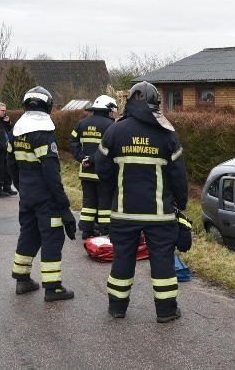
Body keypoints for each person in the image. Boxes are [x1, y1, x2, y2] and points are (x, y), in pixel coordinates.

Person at [95, 81, 188, 323]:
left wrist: (115, 189)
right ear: (155, 103)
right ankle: (166, 311)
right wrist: (182, 203)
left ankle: (117, 308)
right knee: (163, 261)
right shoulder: (167, 134)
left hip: (124, 213)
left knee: (123, 258)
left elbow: (102, 168)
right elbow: (179, 175)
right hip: (160, 215)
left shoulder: (115, 131)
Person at [8, 86, 77, 302]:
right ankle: (53, 287)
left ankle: (22, 279)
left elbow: (11, 165)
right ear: (47, 106)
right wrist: (64, 207)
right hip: (46, 198)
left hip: (27, 195)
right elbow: (51, 175)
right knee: (52, 238)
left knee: (28, 234)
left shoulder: (16, 132)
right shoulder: (44, 135)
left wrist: (22, 188)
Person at [69, 95, 118, 239]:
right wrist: (94, 159)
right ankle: (105, 230)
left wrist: (82, 158)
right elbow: (112, 149)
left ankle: (86, 230)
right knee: (104, 202)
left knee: (88, 202)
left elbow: (73, 142)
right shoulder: (111, 126)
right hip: (103, 173)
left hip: (85, 171)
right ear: (107, 109)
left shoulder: (81, 124)